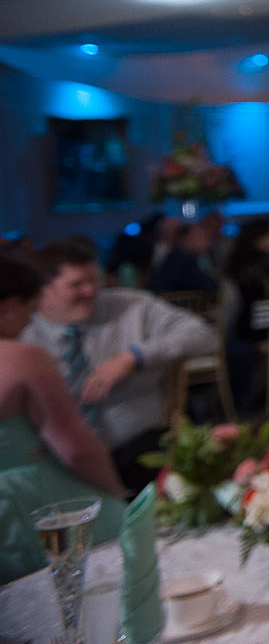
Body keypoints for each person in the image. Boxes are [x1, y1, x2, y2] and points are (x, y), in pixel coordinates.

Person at [20, 239, 214, 493]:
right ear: (43, 289)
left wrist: (133, 358)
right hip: (61, 461)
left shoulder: (130, 306)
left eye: (94, 280)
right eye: (77, 285)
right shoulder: (25, 334)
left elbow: (203, 335)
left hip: (139, 446)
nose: (91, 292)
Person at [0, 254, 125, 582]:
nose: (28, 324)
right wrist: (115, 495)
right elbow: (76, 448)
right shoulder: (21, 357)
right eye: (28, 312)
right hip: (22, 504)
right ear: (10, 306)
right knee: (129, 536)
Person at [221, 217, 269, 410]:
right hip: (267, 325)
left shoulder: (234, 261)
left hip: (240, 325)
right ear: (259, 237)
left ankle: (252, 394)